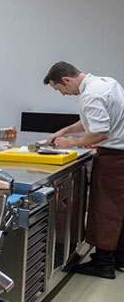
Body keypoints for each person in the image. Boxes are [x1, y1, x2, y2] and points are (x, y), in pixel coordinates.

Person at [43, 61, 124, 279]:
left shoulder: (90, 95)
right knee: (118, 208)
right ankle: (119, 256)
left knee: (105, 208)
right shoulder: (106, 83)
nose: (62, 94)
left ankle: (103, 264)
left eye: (60, 89)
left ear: (67, 80)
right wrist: (65, 130)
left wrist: (71, 143)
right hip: (119, 154)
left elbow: (100, 133)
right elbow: (93, 120)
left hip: (115, 158)